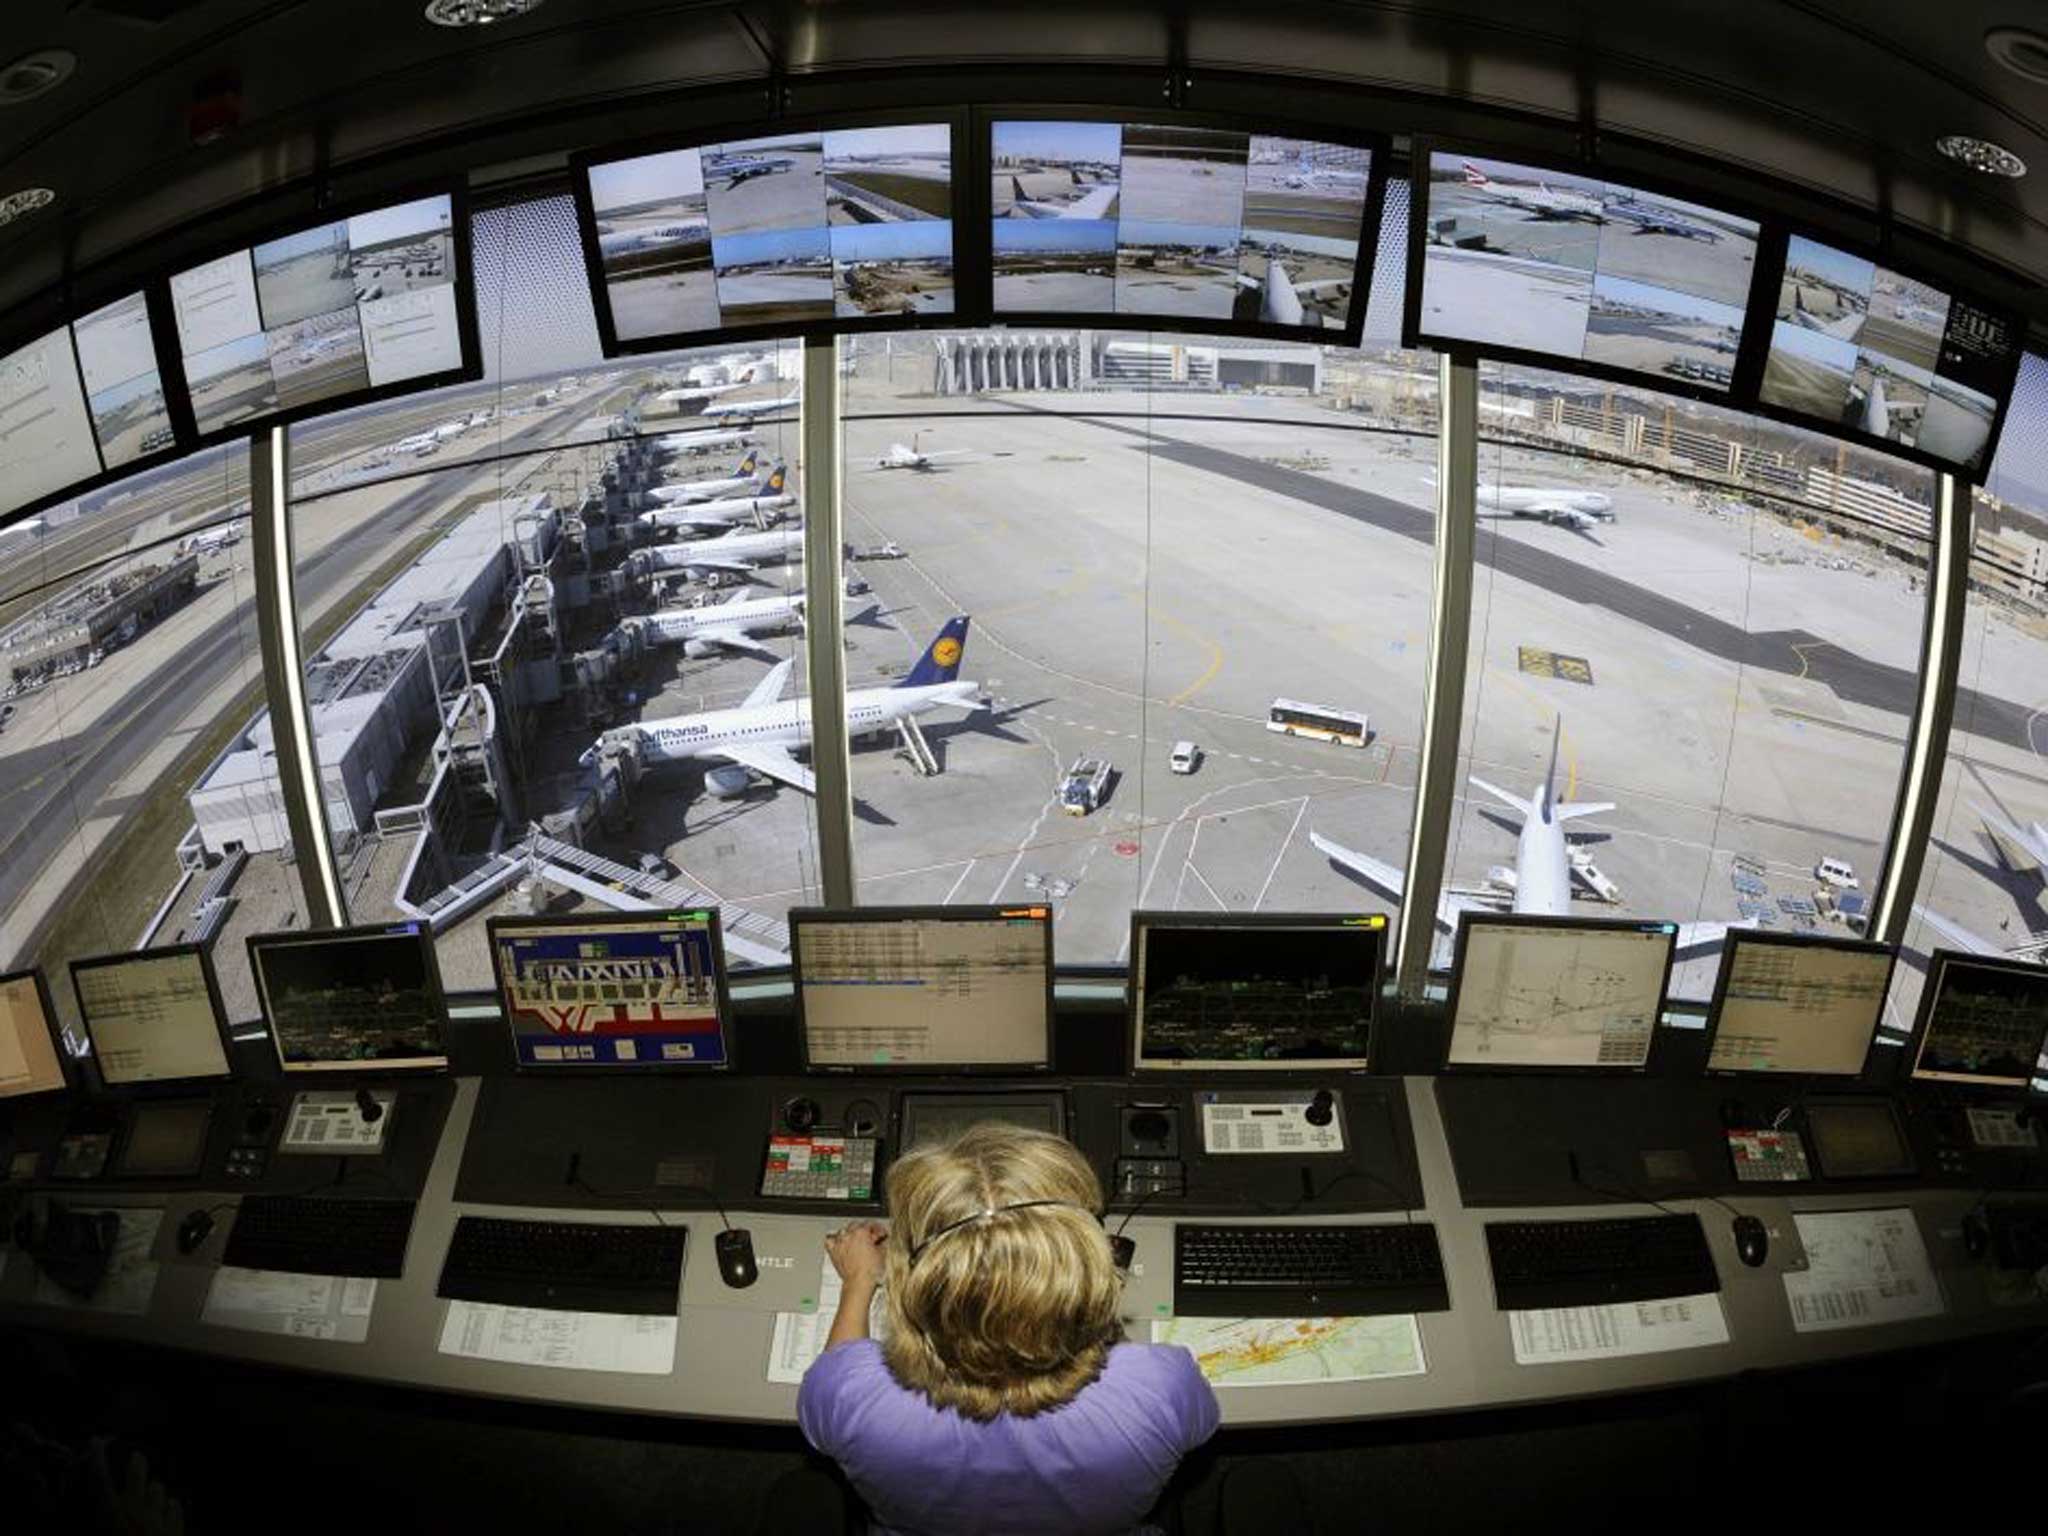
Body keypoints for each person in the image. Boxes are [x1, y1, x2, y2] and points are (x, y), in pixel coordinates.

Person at [797, 1123, 1220, 1535]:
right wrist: (1090, 1314)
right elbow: (1196, 1430)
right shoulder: (1162, 1387)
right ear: (1092, 1272)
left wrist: (858, 1281)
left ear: (912, 1283)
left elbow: (836, 1369)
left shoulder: (851, 1396)